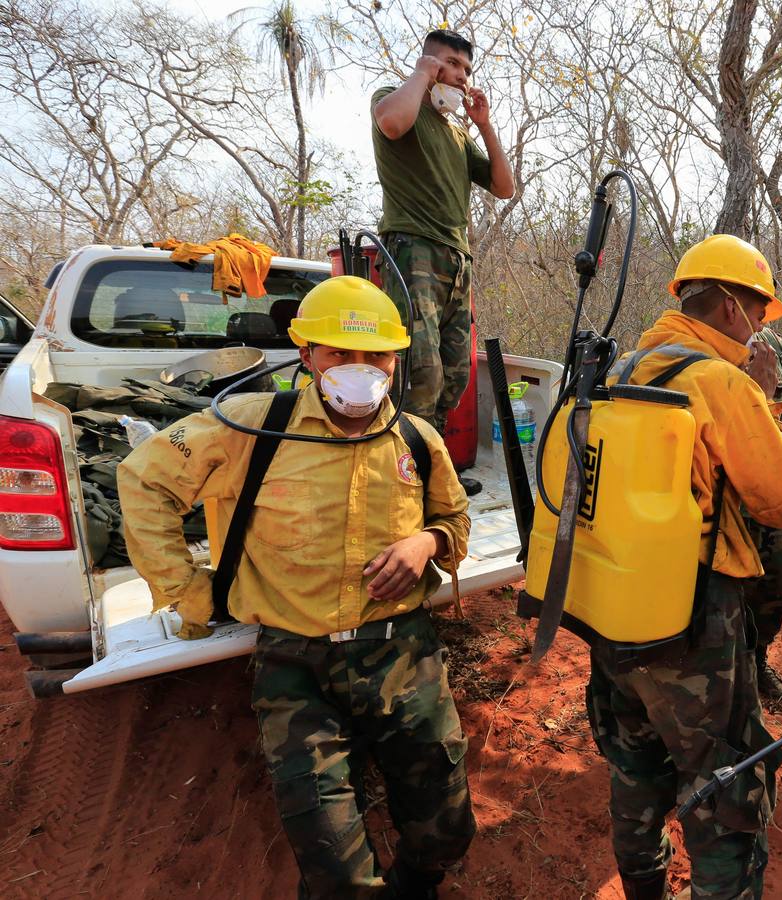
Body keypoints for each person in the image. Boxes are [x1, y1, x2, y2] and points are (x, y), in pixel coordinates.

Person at [118, 276, 477, 898]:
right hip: (295, 664)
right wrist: (188, 590)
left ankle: (416, 880)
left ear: (396, 360)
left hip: (401, 651)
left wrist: (428, 543)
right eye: (340, 354)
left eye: (376, 356)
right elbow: (144, 481)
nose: (359, 370)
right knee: (333, 865)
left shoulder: (417, 437)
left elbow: (455, 520)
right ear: (307, 354)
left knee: (446, 829)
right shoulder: (250, 426)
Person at [586, 235, 782, 899]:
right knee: (725, 790)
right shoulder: (721, 382)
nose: (759, 331)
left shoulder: (622, 367)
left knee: (633, 770)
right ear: (730, 307)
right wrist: (768, 401)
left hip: (613, 604)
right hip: (692, 620)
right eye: (757, 314)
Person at [371, 29, 514, 428]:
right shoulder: (392, 98)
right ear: (429, 63)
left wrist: (483, 125)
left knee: (455, 376)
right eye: (452, 64)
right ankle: (407, 472)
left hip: (457, 259)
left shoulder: (458, 133)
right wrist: (421, 75)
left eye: (467, 68)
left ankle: (431, 463)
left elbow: (505, 187)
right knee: (420, 372)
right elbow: (392, 124)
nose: (462, 75)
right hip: (412, 246)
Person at [745, 325, 782, 704]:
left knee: (773, 585)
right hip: (721, 499)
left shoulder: (776, 344)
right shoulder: (703, 342)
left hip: (766, 488)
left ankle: (757, 663)